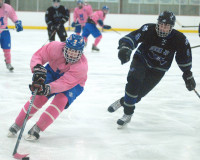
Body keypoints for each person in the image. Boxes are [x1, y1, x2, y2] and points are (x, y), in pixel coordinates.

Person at [107, 11, 196, 128]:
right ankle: (127, 114)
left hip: (159, 69)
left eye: (166, 26)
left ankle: (123, 101)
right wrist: (125, 47)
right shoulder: (148, 29)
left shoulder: (179, 39)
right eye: (161, 24)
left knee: (138, 94)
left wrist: (188, 74)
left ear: (171, 27)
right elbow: (133, 37)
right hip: (141, 60)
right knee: (133, 82)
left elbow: (184, 57)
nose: (163, 28)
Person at [8, 34, 88, 140]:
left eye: (76, 52)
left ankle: (37, 128)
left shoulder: (81, 66)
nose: (72, 54)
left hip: (74, 83)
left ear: (81, 52)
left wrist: (49, 88)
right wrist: (37, 67)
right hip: (53, 71)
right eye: (70, 50)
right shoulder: (55, 47)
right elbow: (39, 56)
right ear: (65, 47)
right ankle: (18, 123)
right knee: (38, 97)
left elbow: (65, 83)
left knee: (61, 100)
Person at [0, 0, 23, 71]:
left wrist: (17, 23)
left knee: (7, 49)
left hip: (4, 31)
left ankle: (8, 63)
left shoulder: (7, 7)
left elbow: (13, 16)